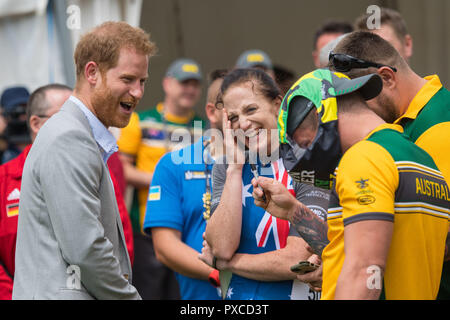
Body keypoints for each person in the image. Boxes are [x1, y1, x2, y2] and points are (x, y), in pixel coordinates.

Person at [253, 68, 449, 299]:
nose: (303, 151)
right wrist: (294, 212)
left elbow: (364, 269)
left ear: (320, 115)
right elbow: (356, 247)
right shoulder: (418, 156)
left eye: (302, 142)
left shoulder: (364, 158)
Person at [13, 21, 156, 300]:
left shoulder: (74, 134)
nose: (138, 92)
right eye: (127, 79)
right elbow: (86, 250)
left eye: (142, 82)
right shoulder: (70, 137)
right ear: (92, 72)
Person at [328, 31, 450, 298]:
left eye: (358, 97)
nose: (351, 109)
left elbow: (439, 239)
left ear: (386, 77)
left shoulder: (440, 126)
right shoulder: (395, 127)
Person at [200, 68, 329, 300]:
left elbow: (298, 259)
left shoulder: (308, 160)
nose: (244, 123)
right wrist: (235, 169)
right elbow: (221, 246)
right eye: (233, 118)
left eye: (251, 109)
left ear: (277, 104)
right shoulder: (226, 167)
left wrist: (226, 263)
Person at [0, 84, 134, 300]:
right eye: (62, 115)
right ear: (36, 123)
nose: (75, 123)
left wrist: (116, 288)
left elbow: (119, 237)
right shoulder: (5, 179)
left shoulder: (98, 167)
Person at [118, 58, 203, 299]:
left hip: (190, 232)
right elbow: (122, 170)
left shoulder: (204, 126)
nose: (189, 89)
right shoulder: (139, 119)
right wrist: (167, 183)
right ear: (167, 84)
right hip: (147, 229)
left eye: (195, 84)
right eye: (183, 82)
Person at [143, 69, 228, 300]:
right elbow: (165, 247)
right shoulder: (174, 164)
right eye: (232, 107)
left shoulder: (273, 163)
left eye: (252, 107)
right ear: (211, 111)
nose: (244, 117)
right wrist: (225, 277)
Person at [0, 86, 31, 164]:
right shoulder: (4, 140)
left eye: (25, 109)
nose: (22, 115)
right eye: (15, 110)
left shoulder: (39, 131)